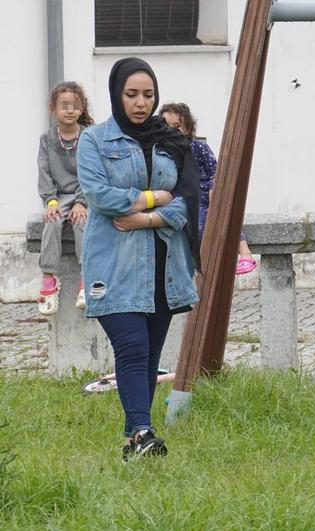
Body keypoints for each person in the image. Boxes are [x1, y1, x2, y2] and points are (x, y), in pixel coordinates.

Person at [77, 57, 200, 461]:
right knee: (131, 348)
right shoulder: (95, 140)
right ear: (116, 94)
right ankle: (144, 430)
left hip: (164, 265)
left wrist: (143, 217)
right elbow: (99, 195)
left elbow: (186, 201)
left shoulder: (172, 141)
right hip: (114, 265)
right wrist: (153, 198)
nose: (140, 103)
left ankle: (136, 440)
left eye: (147, 95)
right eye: (131, 94)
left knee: (147, 354)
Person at [159, 102, 257, 275]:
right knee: (194, 222)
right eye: (167, 126)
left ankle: (244, 252)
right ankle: (198, 264)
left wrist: (214, 190)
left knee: (224, 215)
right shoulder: (164, 153)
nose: (172, 131)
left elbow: (216, 172)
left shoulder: (199, 148)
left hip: (205, 195)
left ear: (188, 128)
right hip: (183, 200)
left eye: (178, 126)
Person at [37, 82, 94, 315]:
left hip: (84, 194)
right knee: (51, 222)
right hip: (58, 196)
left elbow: (92, 172)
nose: (69, 110)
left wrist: (82, 202)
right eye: (64, 106)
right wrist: (50, 201)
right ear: (53, 108)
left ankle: (85, 279)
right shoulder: (47, 139)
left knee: (82, 222)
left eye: (75, 105)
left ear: (82, 109)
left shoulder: (89, 137)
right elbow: (44, 171)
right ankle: (49, 279)